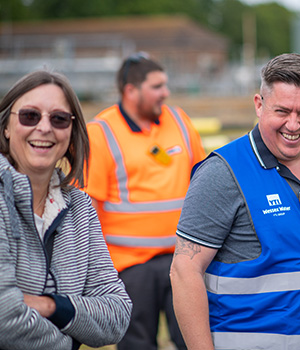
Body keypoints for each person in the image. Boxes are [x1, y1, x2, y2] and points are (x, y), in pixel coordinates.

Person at [171, 53, 300, 350]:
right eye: (282, 111)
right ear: (259, 104)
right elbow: (184, 271)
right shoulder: (223, 172)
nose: (293, 125)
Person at [0, 70, 132, 349]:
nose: (44, 127)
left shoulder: (80, 207)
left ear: (71, 132)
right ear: (6, 128)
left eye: (59, 119)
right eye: (29, 116)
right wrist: (69, 341)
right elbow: (4, 316)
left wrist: (51, 306)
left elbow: (118, 314)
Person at [84, 52, 206, 349]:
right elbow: (87, 209)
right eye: (156, 86)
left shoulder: (179, 120)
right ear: (130, 91)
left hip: (184, 260)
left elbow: (204, 183)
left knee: (196, 340)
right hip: (129, 267)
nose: (165, 93)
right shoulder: (100, 132)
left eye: (165, 85)